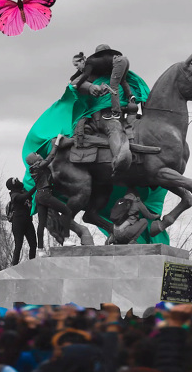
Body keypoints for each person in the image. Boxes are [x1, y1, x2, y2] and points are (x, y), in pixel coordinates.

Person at [70, 45, 136, 175]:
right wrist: (90, 87)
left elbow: (127, 85)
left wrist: (130, 98)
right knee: (114, 128)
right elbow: (74, 83)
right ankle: (120, 159)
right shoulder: (91, 74)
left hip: (123, 113)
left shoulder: (117, 73)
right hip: (102, 114)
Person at [26, 134, 73, 253]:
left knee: (41, 223)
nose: (38, 154)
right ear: (34, 159)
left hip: (39, 196)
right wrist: (57, 141)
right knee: (67, 211)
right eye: (36, 154)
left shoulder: (33, 169)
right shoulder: (39, 166)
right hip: (45, 194)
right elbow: (51, 157)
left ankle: (40, 249)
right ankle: (66, 239)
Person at [5, 177, 37, 265]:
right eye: (15, 181)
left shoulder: (23, 191)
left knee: (33, 244)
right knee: (18, 245)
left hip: (28, 221)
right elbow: (25, 197)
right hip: (18, 222)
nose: (18, 181)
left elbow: (29, 196)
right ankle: (14, 265)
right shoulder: (14, 195)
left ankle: (32, 264)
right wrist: (36, 186)